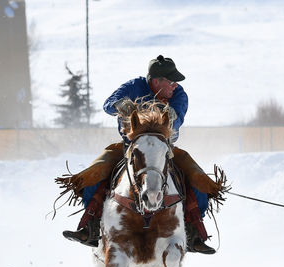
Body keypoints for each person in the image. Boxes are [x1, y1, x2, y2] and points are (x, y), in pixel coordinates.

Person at [60, 55, 221, 254]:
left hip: (164, 150)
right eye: (171, 81)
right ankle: (90, 226)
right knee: (95, 172)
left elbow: (177, 121)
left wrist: (171, 117)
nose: (174, 86)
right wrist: (119, 104)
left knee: (198, 178)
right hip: (130, 148)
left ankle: (194, 232)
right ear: (156, 81)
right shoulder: (134, 86)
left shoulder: (179, 95)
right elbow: (108, 104)